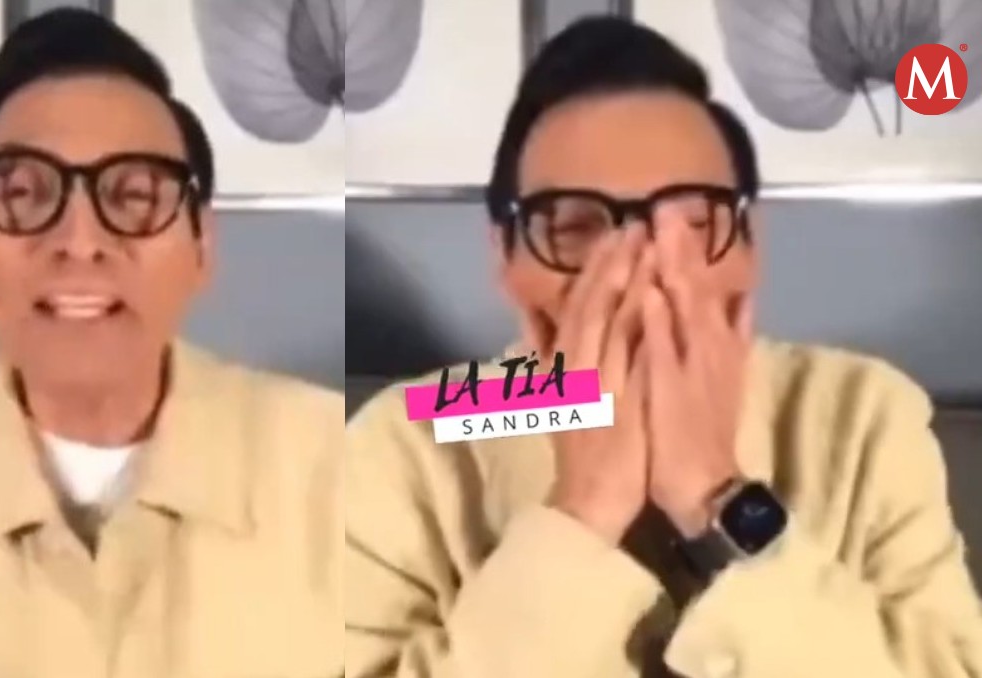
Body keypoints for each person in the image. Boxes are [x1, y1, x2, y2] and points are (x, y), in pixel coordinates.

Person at [345, 16, 982, 678]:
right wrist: (582, 508)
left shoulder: (861, 412)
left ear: (747, 247)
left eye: (691, 220)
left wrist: (718, 494)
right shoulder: (413, 436)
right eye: (574, 226)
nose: (639, 271)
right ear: (507, 258)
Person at [0, 9, 343, 678]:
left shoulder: (324, 447)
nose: (80, 241)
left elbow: (435, 411)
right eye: (24, 193)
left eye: (135, 195)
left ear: (202, 246)